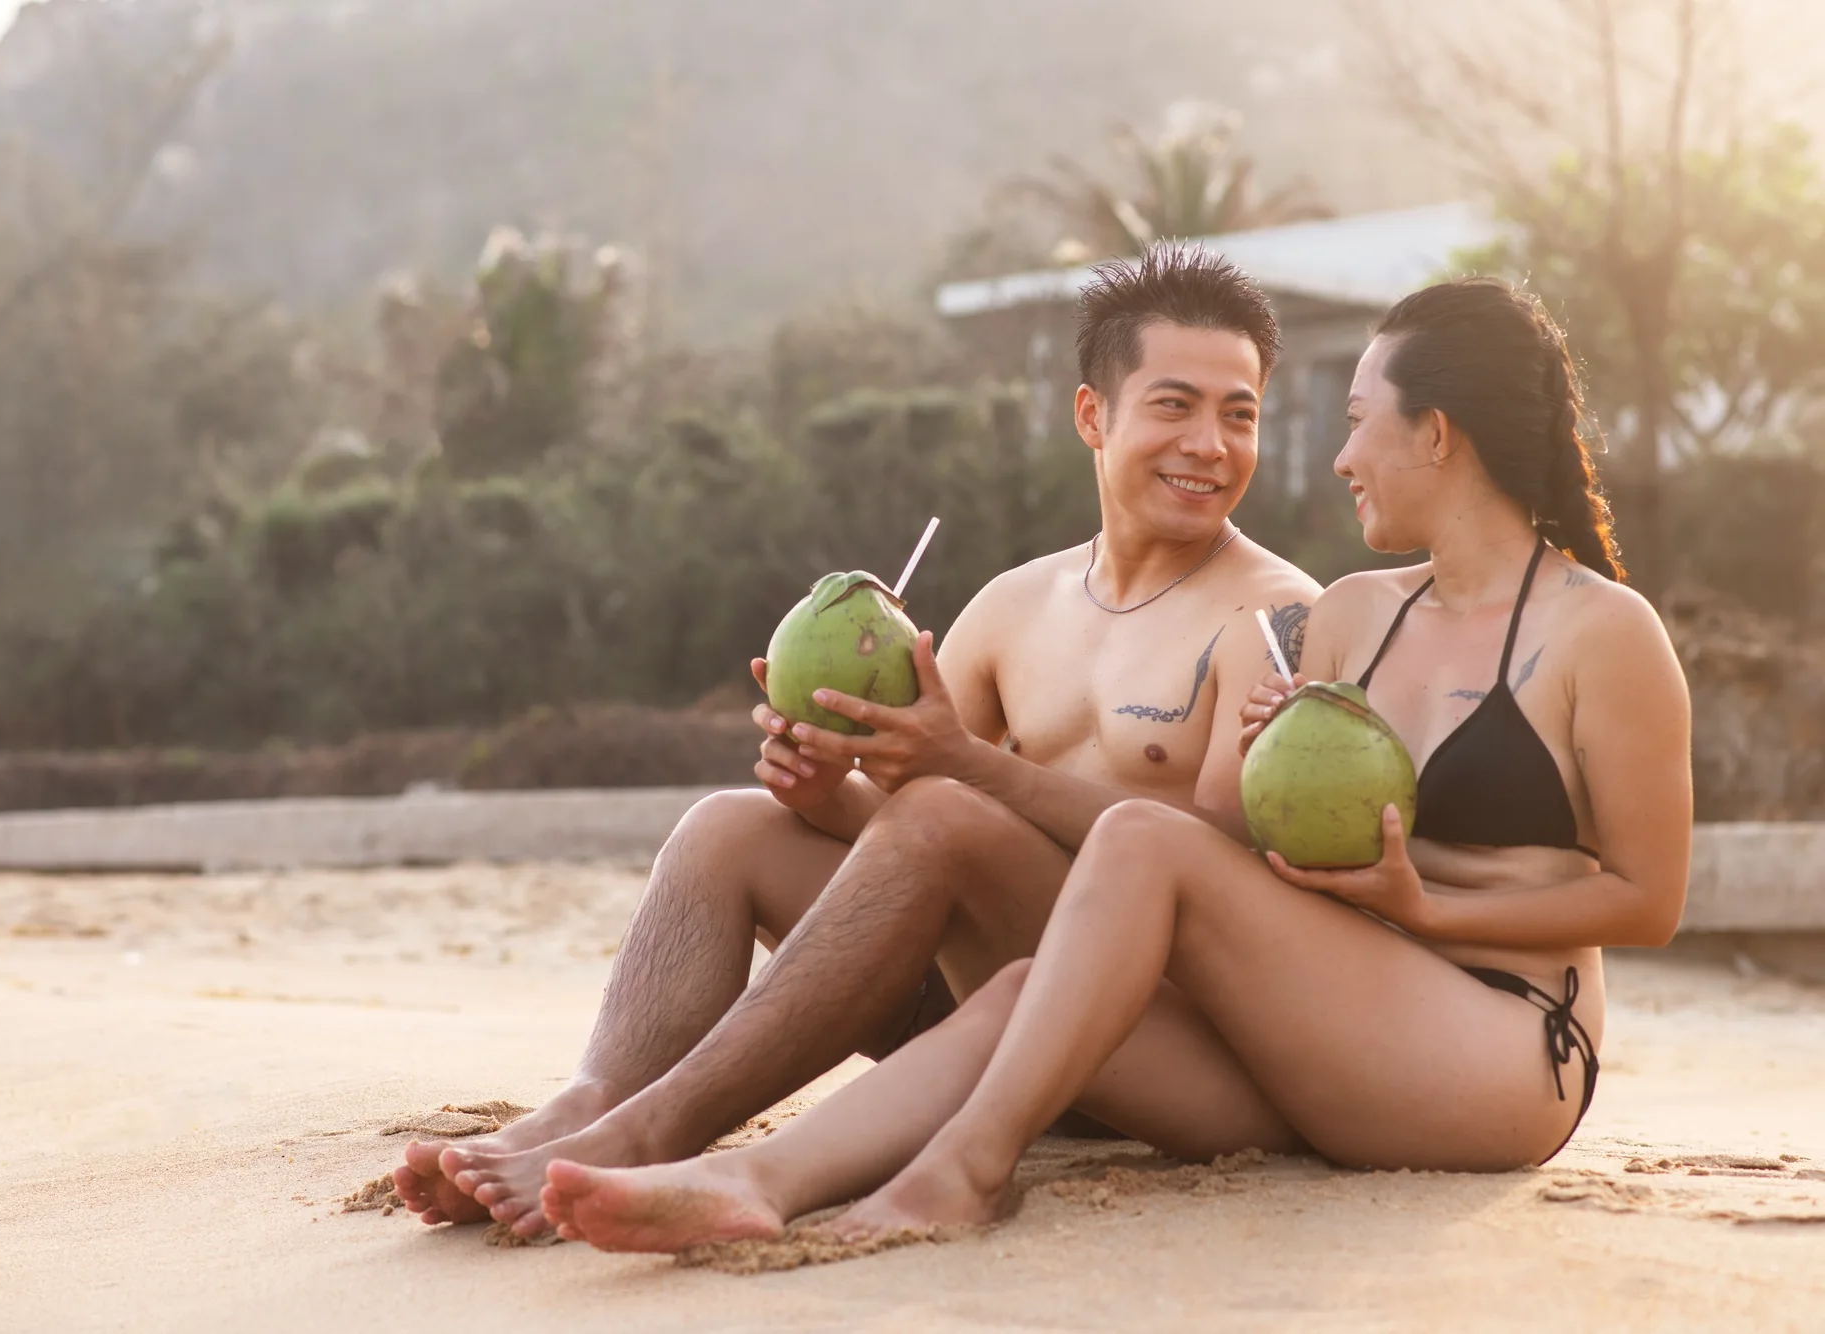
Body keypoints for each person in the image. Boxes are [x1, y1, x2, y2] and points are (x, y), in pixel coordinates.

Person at [526, 277, 1694, 1253]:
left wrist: (1416, 900)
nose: (1336, 454)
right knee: (1020, 989)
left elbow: (1647, 901)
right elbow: (1254, 861)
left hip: (1502, 1038)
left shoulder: (1602, 632)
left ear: (1433, 433)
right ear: (1096, 414)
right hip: (1322, 1018)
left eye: (1352, 420)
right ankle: (758, 1180)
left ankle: (963, 1171)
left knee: (1134, 844)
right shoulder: (1347, 618)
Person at [392, 244, 1321, 1235]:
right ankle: (588, 1101)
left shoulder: (1275, 616)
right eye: (1173, 405)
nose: (1210, 443)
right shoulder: (1016, 604)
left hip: (1146, 1035)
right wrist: (821, 785)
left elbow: (1227, 856)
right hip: (974, 1004)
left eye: (1239, 413)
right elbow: (903, 828)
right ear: (1092, 414)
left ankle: (649, 1130)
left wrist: (960, 764)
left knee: (947, 805)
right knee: (727, 828)